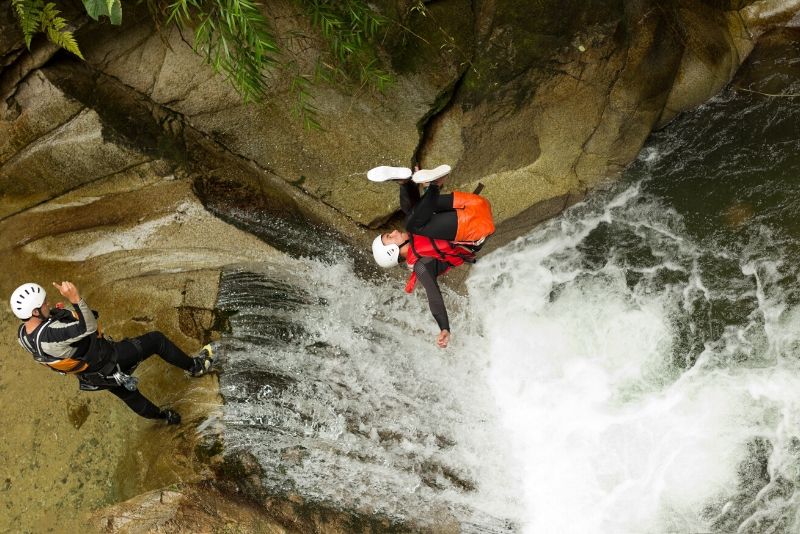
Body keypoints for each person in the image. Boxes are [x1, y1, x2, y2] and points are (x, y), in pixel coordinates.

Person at [9, 280, 214, 424]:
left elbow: (53, 334)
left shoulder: (23, 335)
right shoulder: (51, 336)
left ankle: (164, 417)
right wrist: (75, 298)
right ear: (34, 312)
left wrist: (57, 313)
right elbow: (88, 326)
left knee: (130, 396)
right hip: (110, 359)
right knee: (156, 340)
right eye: (43, 304)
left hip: (93, 375)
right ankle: (196, 367)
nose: (47, 304)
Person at [370, 165, 495, 348]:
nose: (394, 231)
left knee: (412, 213)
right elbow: (434, 297)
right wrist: (444, 327)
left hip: (471, 207)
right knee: (412, 222)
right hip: (475, 228)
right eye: (390, 237)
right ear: (393, 252)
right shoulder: (422, 265)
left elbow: (419, 213)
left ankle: (406, 182)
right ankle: (432, 184)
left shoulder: (417, 231)